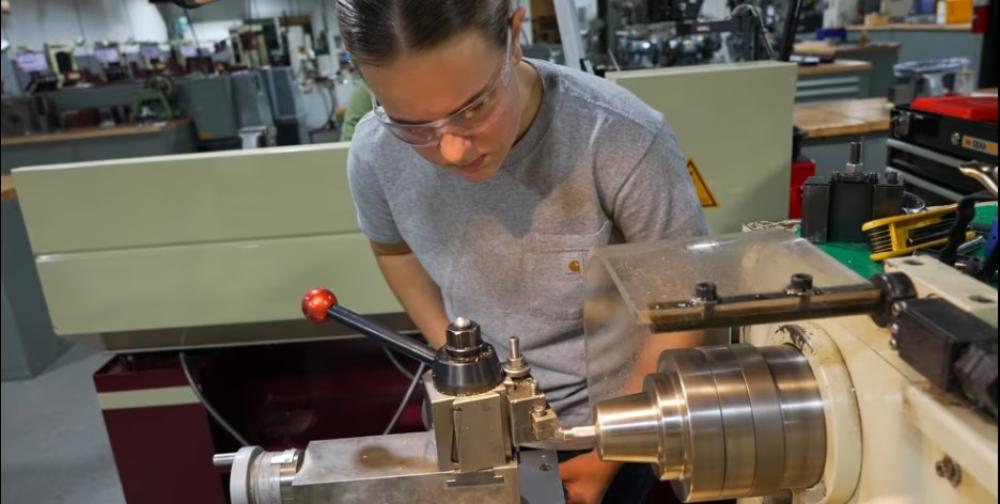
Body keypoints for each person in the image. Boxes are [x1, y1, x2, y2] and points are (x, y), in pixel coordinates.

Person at [336, 1, 708, 502]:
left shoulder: (619, 139)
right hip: (473, 426)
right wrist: (458, 362)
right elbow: (393, 250)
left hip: (606, 432)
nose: (452, 150)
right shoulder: (376, 153)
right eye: (414, 126)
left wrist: (612, 450)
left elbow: (682, 305)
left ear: (514, 35)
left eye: (474, 109)